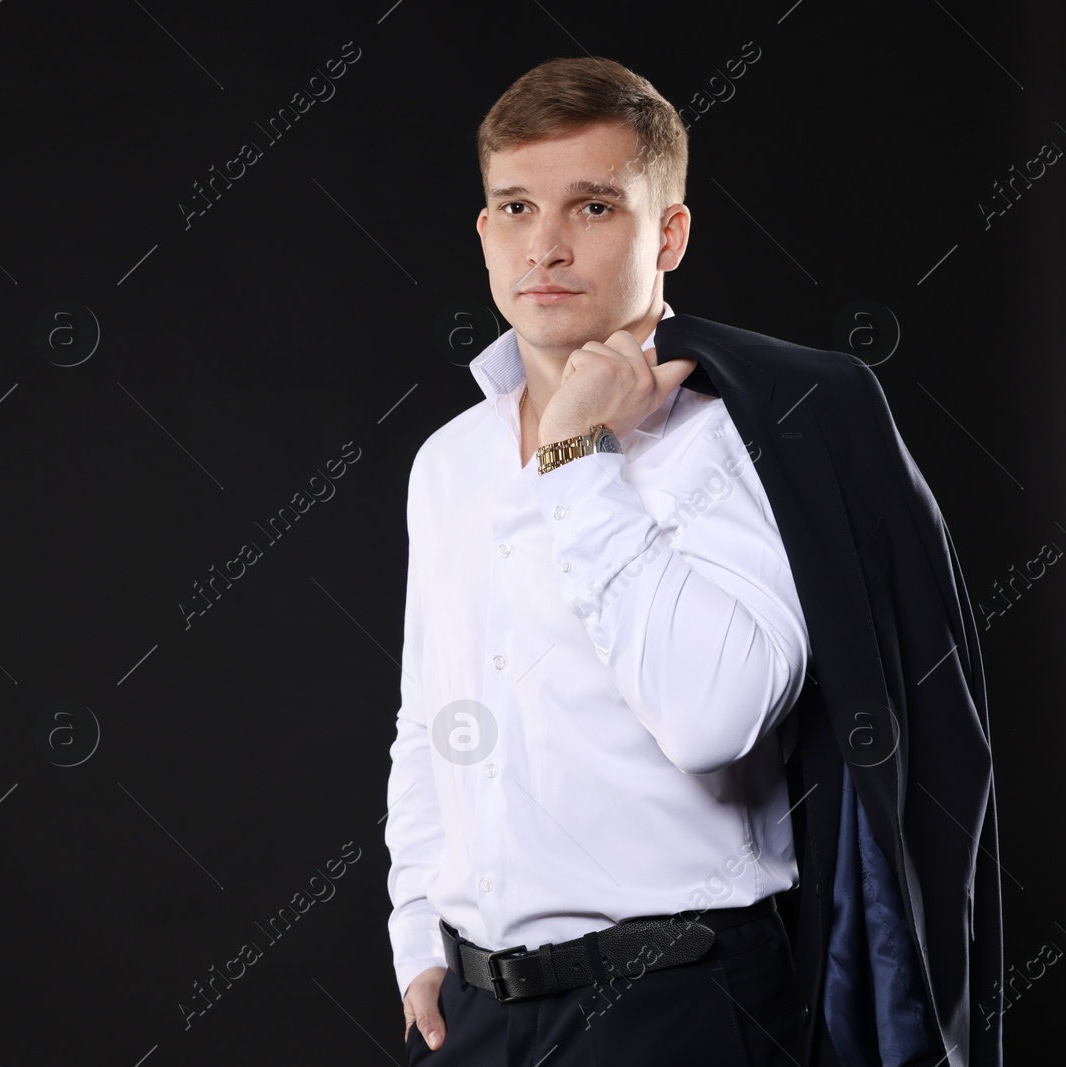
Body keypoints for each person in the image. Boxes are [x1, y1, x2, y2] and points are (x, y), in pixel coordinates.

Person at [384, 56, 1000, 1066]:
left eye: (591, 206)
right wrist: (417, 931)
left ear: (665, 232)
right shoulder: (446, 462)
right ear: (486, 230)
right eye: (515, 205)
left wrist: (577, 458)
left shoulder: (749, 440)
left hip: (676, 1002)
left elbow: (712, 718)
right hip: (474, 1010)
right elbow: (432, 716)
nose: (545, 242)